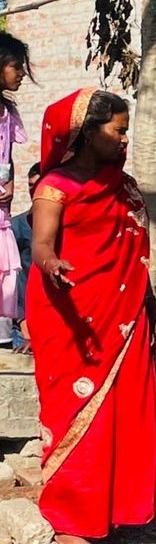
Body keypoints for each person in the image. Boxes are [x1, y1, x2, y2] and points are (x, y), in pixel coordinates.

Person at [27, 89, 156, 544]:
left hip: (124, 317)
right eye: (118, 130)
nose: (125, 140)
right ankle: (68, 518)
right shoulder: (55, 186)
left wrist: (152, 310)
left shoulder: (123, 186)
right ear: (89, 133)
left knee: (124, 410)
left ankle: (120, 512)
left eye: (126, 131)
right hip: (72, 314)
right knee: (73, 410)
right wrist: (51, 266)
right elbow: (43, 246)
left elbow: (138, 253)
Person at [0, 33, 29, 327]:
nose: (20, 74)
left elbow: (7, 156)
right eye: (16, 66)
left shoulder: (8, 112)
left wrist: (10, 184)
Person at [10, 162, 41, 352]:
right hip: (26, 326)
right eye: (30, 185)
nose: (33, 191)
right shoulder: (18, 227)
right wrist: (23, 320)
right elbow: (15, 278)